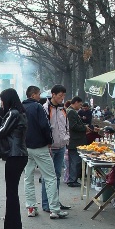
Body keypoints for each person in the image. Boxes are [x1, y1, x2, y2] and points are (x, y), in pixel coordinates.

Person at [22, 85, 68, 219]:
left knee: (28, 178)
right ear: (33, 95)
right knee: (50, 177)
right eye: (38, 94)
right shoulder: (38, 107)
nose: (40, 96)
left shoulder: (21, 107)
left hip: (26, 147)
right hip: (40, 147)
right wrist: (49, 141)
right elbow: (45, 126)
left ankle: (31, 207)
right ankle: (54, 208)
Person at [0, 88, 28, 229]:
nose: (1, 103)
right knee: (12, 193)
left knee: (11, 194)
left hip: (14, 155)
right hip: (19, 155)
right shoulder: (19, 113)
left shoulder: (13, 113)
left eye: (2, 100)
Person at [41, 84, 72, 213]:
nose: (62, 98)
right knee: (48, 177)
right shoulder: (45, 108)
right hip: (50, 147)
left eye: (64, 96)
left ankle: (55, 201)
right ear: (53, 95)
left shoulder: (62, 109)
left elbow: (66, 125)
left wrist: (67, 137)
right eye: (60, 96)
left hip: (61, 146)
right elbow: (44, 127)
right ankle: (46, 203)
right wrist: (47, 143)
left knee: (57, 175)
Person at [66, 96, 92, 187]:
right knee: (75, 161)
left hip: (75, 140)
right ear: (76, 102)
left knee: (75, 161)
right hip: (75, 141)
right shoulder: (71, 112)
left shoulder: (72, 111)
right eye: (80, 104)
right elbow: (73, 126)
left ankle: (73, 179)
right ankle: (72, 180)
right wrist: (84, 128)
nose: (80, 107)